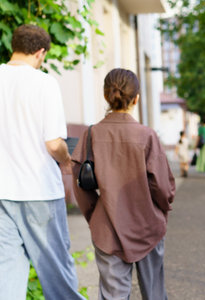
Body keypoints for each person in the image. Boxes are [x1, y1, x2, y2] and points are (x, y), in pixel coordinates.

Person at [72, 68, 176, 299]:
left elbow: (80, 183)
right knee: (154, 293)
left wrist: (95, 214)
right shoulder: (147, 135)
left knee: (113, 296)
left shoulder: (91, 135)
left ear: (106, 96)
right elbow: (162, 187)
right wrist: (162, 210)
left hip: (108, 228)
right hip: (147, 224)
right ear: (136, 98)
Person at [0, 25, 84, 300]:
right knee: (57, 272)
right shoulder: (44, 82)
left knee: (7, 273)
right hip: (39, 191)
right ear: (40, 52)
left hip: (2, 191)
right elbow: (53, 143)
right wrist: (67, 160)